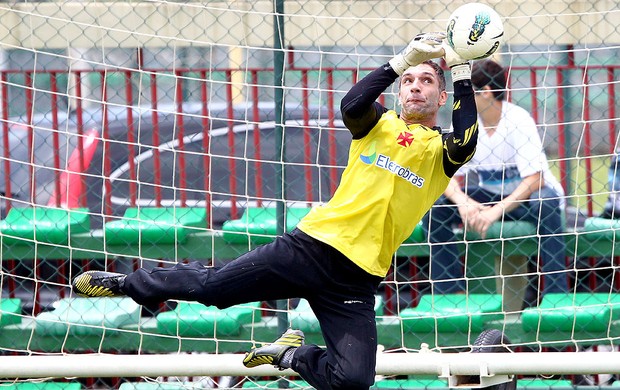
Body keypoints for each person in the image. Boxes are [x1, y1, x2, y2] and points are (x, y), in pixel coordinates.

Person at [71, 32, 478, 390]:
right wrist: (401, 60)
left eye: (426, 81)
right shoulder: (378, 124)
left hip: (357, 279)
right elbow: (352, 103)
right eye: (409, 81)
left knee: (354, 380)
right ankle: (127, 282)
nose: (415, 87)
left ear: (442, 97)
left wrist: (459, 69)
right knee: (214, 289)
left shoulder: (440, 151)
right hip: (312, 247)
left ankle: (291, 356)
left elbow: (466, 141)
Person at [424, 59, 568, 302]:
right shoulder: (465, 123)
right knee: (435, 208)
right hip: (490, 197)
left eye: (467, 92)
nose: (461, 100)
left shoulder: (518, 119)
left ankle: (556, 294)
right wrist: (463, 201)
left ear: (486, 92)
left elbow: (535, 180)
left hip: (526, 202)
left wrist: (495, 212)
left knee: (546, 202)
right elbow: (445, 175)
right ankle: (450, 294)